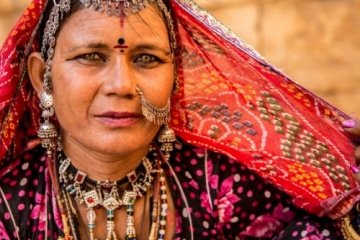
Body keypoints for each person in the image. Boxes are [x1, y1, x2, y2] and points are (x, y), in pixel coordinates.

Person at [0, 0, 360, 239]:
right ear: (41, 76)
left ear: (177, 76)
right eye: (92, 56)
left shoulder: (221, 185)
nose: (121, 85)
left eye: (146, 59)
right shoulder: (8, 205)